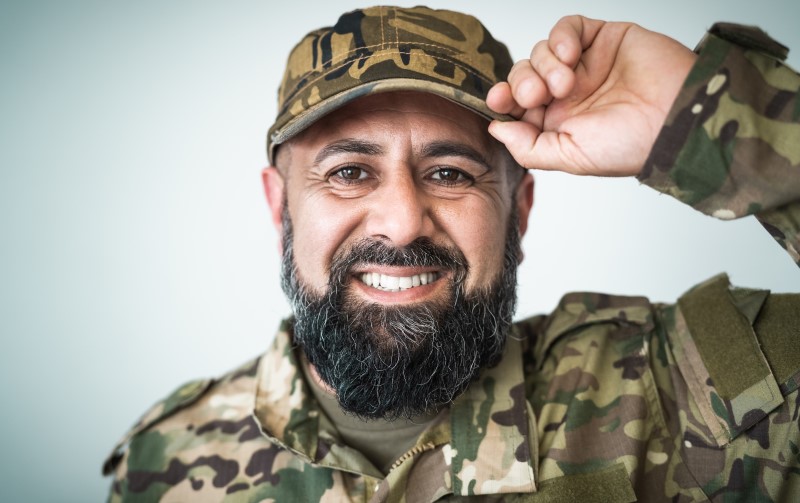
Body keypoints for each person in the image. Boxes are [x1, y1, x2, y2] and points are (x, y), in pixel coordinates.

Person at [103, 6, 800, 502]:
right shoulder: (167, 462)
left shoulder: (686, 390)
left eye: (449, 173)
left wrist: (715, 121)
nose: (403, 223)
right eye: (349, 171)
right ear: (280, 204)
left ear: (518, 208)